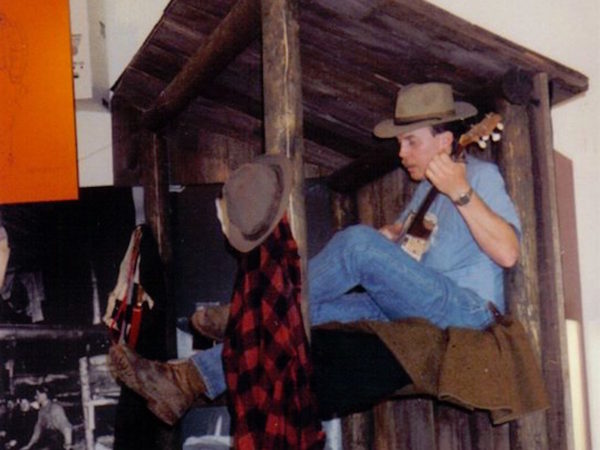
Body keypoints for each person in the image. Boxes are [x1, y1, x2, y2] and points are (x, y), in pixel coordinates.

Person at [109, 82, 521, 426]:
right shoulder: (422, 193)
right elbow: (415, 258)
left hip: (468, 313)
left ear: (447, 141)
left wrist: (459, 192)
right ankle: (187, 382)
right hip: (415, 308)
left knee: (357, 243)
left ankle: (240, 314)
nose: (402, 152)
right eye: (400, 142)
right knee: (310, 317)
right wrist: (391, 243)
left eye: (411, 141)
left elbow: (507, 252)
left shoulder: (480, 177)